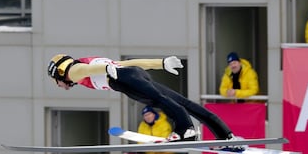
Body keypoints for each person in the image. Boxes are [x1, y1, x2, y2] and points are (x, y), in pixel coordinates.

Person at [47, 54, 237, 142]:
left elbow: (87, 70)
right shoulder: (83, 65)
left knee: (159, 100)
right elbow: (130, 63)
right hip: (131, 74)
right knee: (179, 101)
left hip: (122, 80)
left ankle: (186, 130)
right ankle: (225, 134)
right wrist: (160, 63)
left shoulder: (74, 71)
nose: (59, 85)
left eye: (57, 81)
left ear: (60, 73)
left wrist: (105, 70)